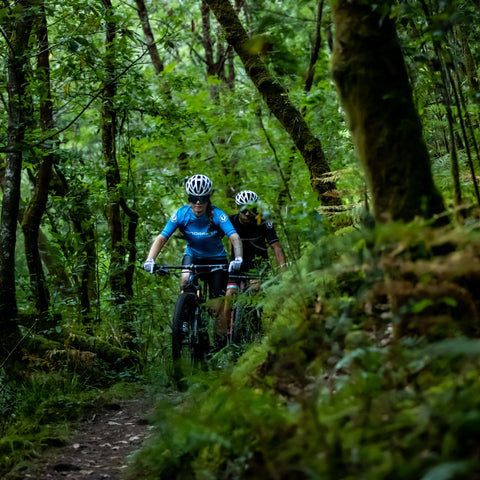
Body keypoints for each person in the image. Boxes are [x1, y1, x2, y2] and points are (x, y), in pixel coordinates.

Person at [143, 174, 243, 350]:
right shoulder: (182, 214)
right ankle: (185, 320)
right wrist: (150, 259)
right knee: (186, 280)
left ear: (208, 199)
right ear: (189, 198)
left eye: (202, 199)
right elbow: (162, 238)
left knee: (217, 308)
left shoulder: (218, 215)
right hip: (193, 256)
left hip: (217, 260)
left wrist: (238, 258)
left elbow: (234, 237)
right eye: (193, 198)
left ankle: (220, 348)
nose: (198, 203)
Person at [225, 190, 286, 328]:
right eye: (244, 209)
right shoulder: (230, 221)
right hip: (237, 264)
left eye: (252, 209)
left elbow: (276, 247)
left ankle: (256, 325)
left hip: (258, 264)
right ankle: (225, 332)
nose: (248, 213)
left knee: (255, 288)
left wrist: (283, 274)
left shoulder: (264, 221)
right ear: (237, 208)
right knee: (229, 295)